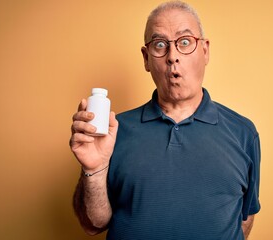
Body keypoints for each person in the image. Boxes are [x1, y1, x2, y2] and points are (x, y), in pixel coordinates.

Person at [70, 1, 261, 239]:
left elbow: (244, 217)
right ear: (146, 58)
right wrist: (94, 169)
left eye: (184, 42)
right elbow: (93, 225)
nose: (173, 57)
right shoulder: (112, 131)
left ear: (205, 51)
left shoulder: (243, 132)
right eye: (160, 45)